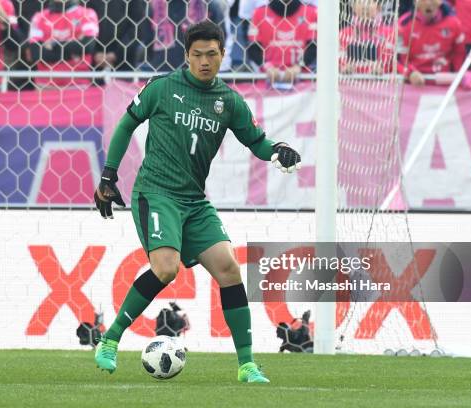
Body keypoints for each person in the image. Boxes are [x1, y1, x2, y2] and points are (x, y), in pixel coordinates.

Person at [93, 20, 301, 383]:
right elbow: (126, 125)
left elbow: (257, 141)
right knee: (166, 268)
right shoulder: (162, 88)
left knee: (229, 268)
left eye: (212, 54)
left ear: (223, 55)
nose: (205, 61)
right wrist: (108, 176)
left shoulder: (229, 102)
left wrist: (277, 151)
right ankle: (109, 339)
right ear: (187, 55)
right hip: (156, 193)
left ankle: (247, 365)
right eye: (198, 55)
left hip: (194, 201)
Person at [28, 0, 99, 87]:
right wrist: (74, 51)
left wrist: (53, 44)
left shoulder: (88, 14)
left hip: (78, 84)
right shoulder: (39, 17)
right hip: (46, 85)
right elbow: (37, 54)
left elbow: (87, 47)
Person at [247, 0, 317, 84]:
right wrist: (268, 67)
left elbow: (314, 46)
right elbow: (253, 48)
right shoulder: (259, 13)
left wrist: (299, 66)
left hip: (302, 79)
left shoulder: (311, 12)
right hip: (267, 79)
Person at [398, 0, 466, 86]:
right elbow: (398, 58)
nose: (428, 3)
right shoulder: (403, 24)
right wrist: (410, 73)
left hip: (444, 83)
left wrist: (459, 76)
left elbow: (459, 55)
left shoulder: (454, 23)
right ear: (415, 2)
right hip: (414, 83)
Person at [339, 0, 395, 74]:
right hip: (349, 83)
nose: (364, 6)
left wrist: (381, 69)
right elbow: (338, 60)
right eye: (360, 1)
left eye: (369, 2)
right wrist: (345, 68)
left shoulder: (390, 33)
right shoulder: (344, 33)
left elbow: (393, 61)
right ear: (353, 7)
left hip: (380, 83)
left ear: (378, 7)